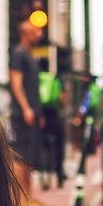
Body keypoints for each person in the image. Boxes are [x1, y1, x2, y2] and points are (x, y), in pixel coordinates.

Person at [8, 20, 47, 206]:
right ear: (24, 34)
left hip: (32, 112)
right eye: (34, 32)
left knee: (30, 156)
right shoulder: (18, 54)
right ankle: (21, 199)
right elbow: (16, 83)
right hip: (22, 113)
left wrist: (36, 111)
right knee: (20, 156)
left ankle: (29, 197)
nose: (38, 35)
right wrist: (25, 108)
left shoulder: (30, 55)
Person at [39, 58, 68, 189]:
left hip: (41, 117)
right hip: (54, 117)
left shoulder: (37, 78)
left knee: (43, 146)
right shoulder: (55, 78)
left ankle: (44, 175)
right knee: (59, 144)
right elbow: (63, 100)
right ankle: (60, 173)